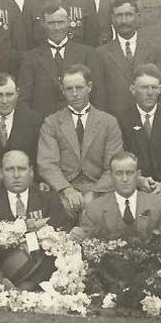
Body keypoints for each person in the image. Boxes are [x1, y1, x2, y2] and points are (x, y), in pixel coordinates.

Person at [37, 63, 124, 216]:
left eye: (79, 87)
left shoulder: (108, 122)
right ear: (63, 91)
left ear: (89, 87)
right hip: (65, 188)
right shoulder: (51, 122)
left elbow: (113, 166)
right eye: (69, 89)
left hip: (100, 187)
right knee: (59, 214)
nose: (75, 94)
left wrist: (95, 193)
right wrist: (67, 190)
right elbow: (47, 164)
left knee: (102, 215)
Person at [91, 0, 161, 115]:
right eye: (119, 16)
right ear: (112, 19)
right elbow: (99, 97)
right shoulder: (100, 54)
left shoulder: (156, 49)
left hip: (149, 121)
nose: (124, 20)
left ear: (138, 17)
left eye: (129, 15)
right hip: (115, 123)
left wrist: (155, 119)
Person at [116, 64, 161, 213]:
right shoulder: (121, 120)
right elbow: (119, 157)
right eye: (143, 87)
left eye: (154, 88)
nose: (149, 93)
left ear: (160, 89)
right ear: (133, 89)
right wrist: (138, 180)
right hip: (134, 185)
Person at [73, 152, 161, 243]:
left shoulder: (158, 203)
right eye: (119, 173)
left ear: (138, 174)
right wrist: (78, 236)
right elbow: (87, 245)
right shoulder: (95, 208)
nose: (125, 179)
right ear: (111, 176)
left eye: (130, 173)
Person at [18, 3, 100, 117]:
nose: (57, 28)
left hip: (81, 122)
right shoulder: (30, 58)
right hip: (42, 124)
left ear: (68, 22)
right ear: (43, 24)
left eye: (60, 22)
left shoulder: (87, 53)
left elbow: (97, 94)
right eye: (51, 23)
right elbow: (24, 99)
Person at [0, 150, 70, 231]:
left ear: (31, 172)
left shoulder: (50, 200)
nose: (16, 175)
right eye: (10, 169)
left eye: (22, 169)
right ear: (1, 173)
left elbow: (61, 233)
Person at [0, 72, 43, 168]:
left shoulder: (34, 121)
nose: (5, 101)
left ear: (17, 93)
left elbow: (38, 160)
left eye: (9, 95)